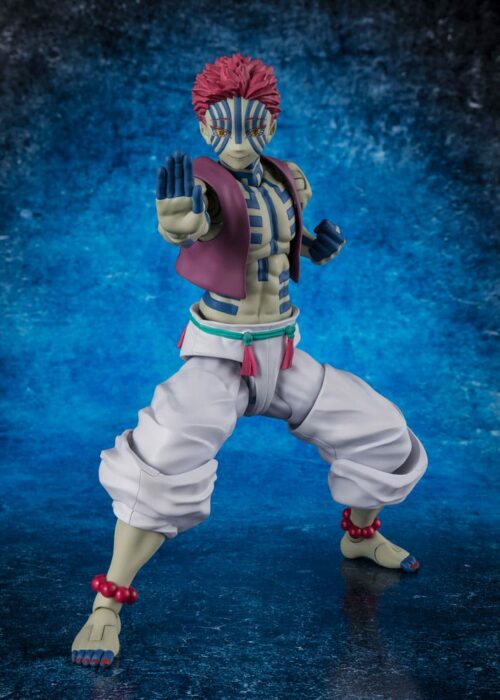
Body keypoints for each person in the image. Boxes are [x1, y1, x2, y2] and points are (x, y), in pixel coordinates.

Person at [71, 54, 427, 667]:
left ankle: (360, 536)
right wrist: (179, 219)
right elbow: (193, 225)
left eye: (252, 125)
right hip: (220, 356)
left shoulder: (288, 178)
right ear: (205, 127)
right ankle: (106, 607)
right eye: (223, 127)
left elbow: (285, 243)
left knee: (381, 430)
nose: (238, 141)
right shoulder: (205, 185)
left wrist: (315, 247)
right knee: (161, 459)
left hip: (282, 354)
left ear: (271, 123)